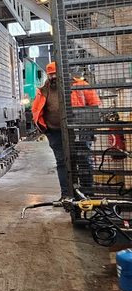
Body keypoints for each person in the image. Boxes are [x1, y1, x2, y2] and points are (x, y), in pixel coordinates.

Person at [31, 61, 100, 199]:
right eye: (50, 75)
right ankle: (67, 195)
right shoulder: (44, 90)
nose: (53, 77)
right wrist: (44, 128)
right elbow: (37, 109)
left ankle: (88, 194)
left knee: (83, 160)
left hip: (79, 131)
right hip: (55, 132)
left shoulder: (81, 86)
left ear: (64, 74)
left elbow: (95, 105)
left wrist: (89, 127)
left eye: (56, 74)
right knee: (62, 162)